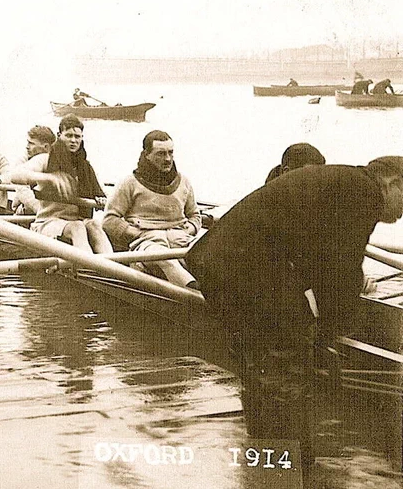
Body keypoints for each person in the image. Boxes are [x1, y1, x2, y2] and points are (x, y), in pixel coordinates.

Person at [185, 156, 403, 468]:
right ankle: (294, 464)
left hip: (220, 261)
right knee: (286, 359)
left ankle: (267, 455)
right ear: (393, 182)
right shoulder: (365, 193)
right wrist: (328, 334)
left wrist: (324, 325)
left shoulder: (343, 181)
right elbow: (340, 269)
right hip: (246, 267)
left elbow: (317, 257)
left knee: (258, 361)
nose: (401, 213)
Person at [101, 130, 201, 289]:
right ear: (147, 155)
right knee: (167, 260)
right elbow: (109, 221)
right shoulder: (130, 183)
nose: (167, 159)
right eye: (160, 154)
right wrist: (138, 233)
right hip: (148, 243)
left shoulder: (184, 182)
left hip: (181, 238)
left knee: (212, 253)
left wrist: (190, 229)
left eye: (170, 153)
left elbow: (195, 215)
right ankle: (193, 295)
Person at [9, 115, 111, 253]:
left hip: (78, 221)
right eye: (69, 135)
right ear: (59, 136)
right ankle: (87, 268)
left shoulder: (85, 166)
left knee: (94, 225)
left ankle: (109, 269)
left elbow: (102, 192)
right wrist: (49, 178)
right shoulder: (45, 159)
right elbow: (15, 176)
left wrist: (101, 198)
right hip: (48, 222)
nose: (73, 140)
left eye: (77, 136)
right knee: (78, 227)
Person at [9, 125, 55, 214]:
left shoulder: (58, 161)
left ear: (46, 147)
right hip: (30, 210)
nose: (27, 147)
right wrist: (43, 211)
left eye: (31, 143)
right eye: (28, 142)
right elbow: (22, 191)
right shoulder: (22, 162)